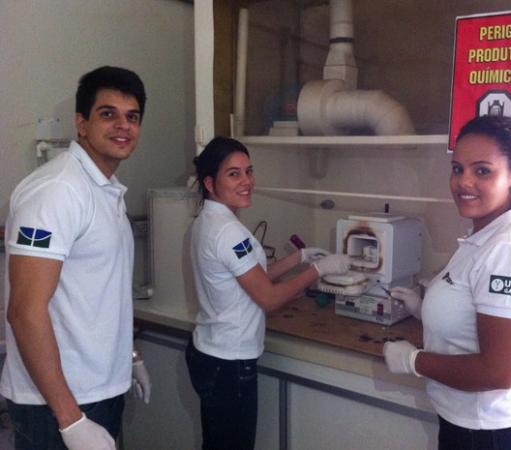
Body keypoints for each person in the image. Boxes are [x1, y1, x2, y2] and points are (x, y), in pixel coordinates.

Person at [383, 115, 511, 450]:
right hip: (473, 425)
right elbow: (474, 314)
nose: (464, 182)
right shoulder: (485, 236)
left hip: (490, 433)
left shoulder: (508, 249)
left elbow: (497, 371)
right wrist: (424, 310)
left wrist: (412, 360)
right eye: (457, 169)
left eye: (482, 170)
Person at [0, 66, 152, 450]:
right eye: (108, 113)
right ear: (81, 123)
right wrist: (71, 421)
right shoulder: (58, 191)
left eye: (131, 117)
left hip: (97, 390)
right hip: (56, 405)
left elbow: (101, 293)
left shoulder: (105, 189)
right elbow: (24, 311)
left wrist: (128, 356)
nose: (122, 125)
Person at [186, 136, 351, 450]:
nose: (247, 181)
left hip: (210, 352)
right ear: (210, 182)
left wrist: (298, 259)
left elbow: (250, 277)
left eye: (249, 171)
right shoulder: (228, 232)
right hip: (229, 365)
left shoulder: (207, 221)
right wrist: (319, 271)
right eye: (233, 174)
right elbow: (268, 297)